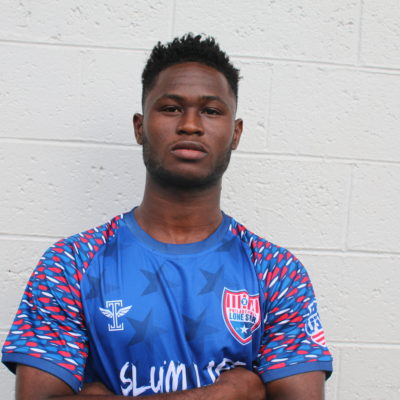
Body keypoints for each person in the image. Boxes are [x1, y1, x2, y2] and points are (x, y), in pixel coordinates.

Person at [2, 34, 332, 399]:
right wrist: (223, 395)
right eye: (171, 108)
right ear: (140, 127)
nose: (190, 124)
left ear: (236, 133)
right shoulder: (70, 264)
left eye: (211, 111)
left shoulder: (276, 271)